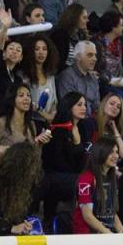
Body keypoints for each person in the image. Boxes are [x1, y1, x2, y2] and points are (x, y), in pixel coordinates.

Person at [40, 92, 88, 228]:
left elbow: (83, 160)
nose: (84, 108)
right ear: (69, 106)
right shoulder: (57, 129)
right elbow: (56, 163)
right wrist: (78, 145)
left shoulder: (83, 128)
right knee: (83, 182)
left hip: (74, 175)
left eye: (85, 104)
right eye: (79, 105)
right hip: (53, 176)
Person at [0, 142, 43, 237]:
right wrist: (12, 228)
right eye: (30, 167)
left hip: (12, 236)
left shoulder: (25, 185)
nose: (32, 171)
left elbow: (19, 218)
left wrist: (24, 225)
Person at [72, 137, 123, 234]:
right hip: (88, 235)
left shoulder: (112, 178)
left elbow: (111, 212)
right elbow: (87, 216)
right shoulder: (86, 179)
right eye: (111, 152)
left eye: (116, 152)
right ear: (100, 153)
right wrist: (108, 233)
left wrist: (121, 230)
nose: (116, 156)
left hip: (106, 232)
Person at [0, 83, 53, 147]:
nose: (26, 98)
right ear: (12, 99)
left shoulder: (31, 124)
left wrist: (39, 143)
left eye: (28, 95)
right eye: (21, 95)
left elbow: (33, 154)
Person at [19, 34, 59, 122]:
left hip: (47, 123)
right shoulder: (23, 76)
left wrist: (51, 116)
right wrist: (45, 115)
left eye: (44, 49)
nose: (41, 52)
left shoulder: (50, 76)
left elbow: (54, 103)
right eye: (37, 49)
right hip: (29, 121)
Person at [57, 40, 101, 116]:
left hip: (91, 121)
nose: (95, 59)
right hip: (75, 120)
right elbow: (68, 107)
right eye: (90, 55)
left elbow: (97, 107)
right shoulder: (67, 76)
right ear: (78, 57)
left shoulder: (93, 79)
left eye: (95, 55)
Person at [49, 3, 89, 72]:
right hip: (63, 75)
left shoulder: (80, 35)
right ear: (74, 18)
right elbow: (58, 64)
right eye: (84, 17)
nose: (87, 20)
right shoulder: (59, 35)